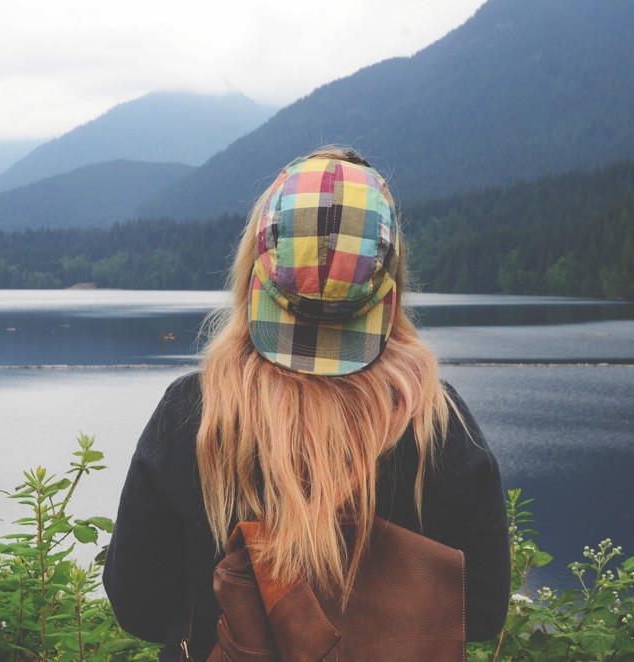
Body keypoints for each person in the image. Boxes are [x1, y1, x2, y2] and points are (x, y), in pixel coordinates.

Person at [104, 149, 510, 660]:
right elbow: (484, 612)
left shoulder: (192, 415)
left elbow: (137, 605)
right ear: (390, 286)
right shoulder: (438, 423)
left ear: (255, 274)